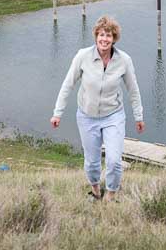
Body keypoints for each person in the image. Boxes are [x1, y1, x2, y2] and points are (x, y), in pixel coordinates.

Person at [51, 15, 144, 202]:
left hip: (114, 116)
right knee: (92, 162)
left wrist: (138, 116)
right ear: (96, 36)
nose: (104, 39)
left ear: (114, 38)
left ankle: (110, 196)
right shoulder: (82, 56)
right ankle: (95, 191)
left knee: (114, 161)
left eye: (109, 35)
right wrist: (57, 113)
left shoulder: (124, 60)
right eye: (101, 35)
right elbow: (67, 85)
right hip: (87, 117)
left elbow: (133, 90)